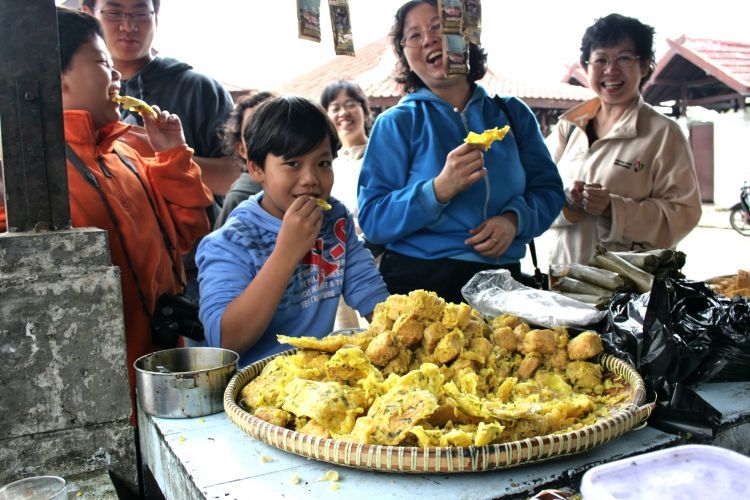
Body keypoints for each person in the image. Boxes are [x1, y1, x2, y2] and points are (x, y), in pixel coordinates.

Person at [55, 7, 212, 410]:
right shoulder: (31, 179)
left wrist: (173, 154)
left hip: (165, 371)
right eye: (103, 63)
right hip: (98, 394)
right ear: (56, 78)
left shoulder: (126, 155)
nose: (116, 76)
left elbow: (186, 233)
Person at [358, 0, 565, 305]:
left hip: (502, 284)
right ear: (404, 52)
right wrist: (437, 190)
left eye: (438, 27)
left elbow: (549, 191)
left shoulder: (512, 114)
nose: (428, 39)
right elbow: (373, 218)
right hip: (418, 285)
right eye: (414, 35)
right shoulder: (396, 123)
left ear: (466, 35)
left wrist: (514, 220)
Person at [196, 96, 389, 367]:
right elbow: (226, 341)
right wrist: (287, 252)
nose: (310, 178)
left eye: (322, 164)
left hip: (314, 379)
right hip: (249, 391)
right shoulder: (232, 241)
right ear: (256, 168)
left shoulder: (334, 218)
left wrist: (402, 334)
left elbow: (370, 294)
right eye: (293, 164)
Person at [81, 0, 238, 300]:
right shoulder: (80, 96)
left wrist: (163, 153)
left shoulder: (198, 88)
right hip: (117, 274)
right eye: (114, 12)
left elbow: (236, 176)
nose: (129, 25)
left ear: (156, 17)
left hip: (198, 270)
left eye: (140, 13)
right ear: (89, 15)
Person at [545, 13, 702, 265]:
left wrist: (613, 208)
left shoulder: (663, 133)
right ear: (586, 66)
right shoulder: (569, 128)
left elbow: (683, 215)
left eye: (624, 58)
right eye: (600, 59)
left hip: (627, 293)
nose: (611, 69)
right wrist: (568, 205)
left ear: (645, 65)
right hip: (564, 283)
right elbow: (537, 197)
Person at [213, 91, 275, 229]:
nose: (268, 137)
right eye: (253, 132)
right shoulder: (240, 198)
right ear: (242, 149)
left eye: (274, 126)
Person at [320, 80, 371, 228]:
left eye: (350, 105)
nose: (343, 113)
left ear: (365, 111)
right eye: (335, 109)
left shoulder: (384, 154)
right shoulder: (329, 168)